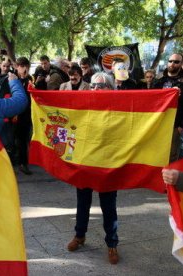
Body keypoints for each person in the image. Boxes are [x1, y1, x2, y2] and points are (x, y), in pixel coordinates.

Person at [67, 72, 119, 265]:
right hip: (86, 161)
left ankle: (112, 244)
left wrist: (172, 94)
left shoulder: (119, 107)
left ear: (110, 88)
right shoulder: (84, 104)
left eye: (100, 85)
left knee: (108, 207)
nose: (95, 89)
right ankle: (79, 236)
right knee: (82, 202)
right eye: (93, 86)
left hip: (107, 164)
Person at [154, 53, 183, 162]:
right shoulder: (158, 81)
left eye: (176, 62)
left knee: (172, 157)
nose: (172, 63)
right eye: (170, 61)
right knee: (156, 153)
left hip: (175, 126)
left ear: (181, 64)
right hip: (157, 124)